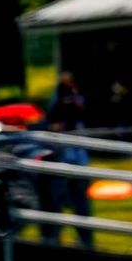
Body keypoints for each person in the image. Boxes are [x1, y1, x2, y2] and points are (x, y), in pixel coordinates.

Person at [45, 73, 93, 249]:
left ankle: (85, 241)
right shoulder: (58, 100)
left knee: (80, 201)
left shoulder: (79, 98)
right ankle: (55, 238)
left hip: (78, 157)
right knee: (58, 199)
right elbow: (53, 121)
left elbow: (83, 114)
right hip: (64, 156)